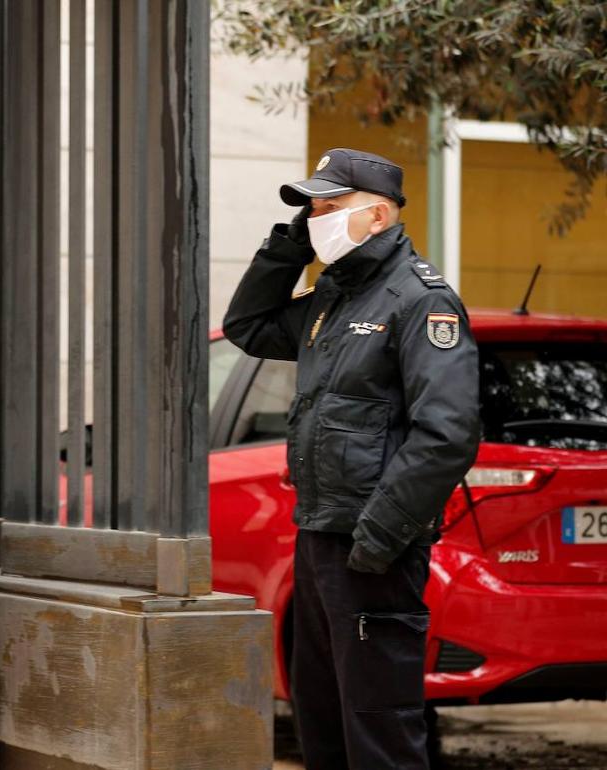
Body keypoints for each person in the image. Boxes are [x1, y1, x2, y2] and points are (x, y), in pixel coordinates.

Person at [223, 147, 481, 769]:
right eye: (311, 208)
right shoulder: (333, 299)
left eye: (329, 207)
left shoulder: (420, 301)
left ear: (378, 216)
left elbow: (446, 433)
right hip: (319, 538)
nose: (316, 218)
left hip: (373, 547)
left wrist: (379, 536)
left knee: (378, 730)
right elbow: (249, 325)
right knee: (322, 717)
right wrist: (291, 243)